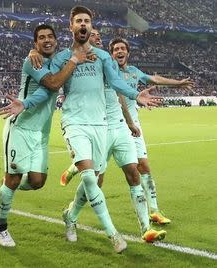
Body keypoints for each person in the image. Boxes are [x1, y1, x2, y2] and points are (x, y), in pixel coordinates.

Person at [0, 6, 161, 253]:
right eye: (78, 21)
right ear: (71, 27)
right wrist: (28, 98)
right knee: (87, 175)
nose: (83, 24)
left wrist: (135, 94)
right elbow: (49, 86)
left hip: (100, 125)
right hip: (73, 123)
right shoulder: (62, 57)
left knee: (62, 180)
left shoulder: (102, 57)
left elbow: (117, 82)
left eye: (87, 20)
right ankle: (113, 235)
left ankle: (70, 216)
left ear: (91, 25)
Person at [59, 27, 167, 243]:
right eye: (93, 36)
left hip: (119, 127)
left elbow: (120, 96)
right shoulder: (83, 65)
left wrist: (129, 121)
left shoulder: (107, 62)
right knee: (95, 181)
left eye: (99, 36)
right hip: (99, 127)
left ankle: (146, 228)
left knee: (133, 173)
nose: (97, 37)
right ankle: (71, 215)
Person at [0, 24, 86, 248]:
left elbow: (76, 48)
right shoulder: (32, 61)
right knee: (14, 179)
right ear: (35, 44)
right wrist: (74, 61)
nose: (46, 40)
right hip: (21, 127)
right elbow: (54, 84)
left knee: (37, 181)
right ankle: (1, 227)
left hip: (41, 133)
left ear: (56, 40)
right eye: (41, 38)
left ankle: (8, 186)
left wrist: (88, 42)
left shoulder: (57, 60)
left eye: (50, 37)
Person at [109, 37, 193, 224]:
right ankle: (75, 207)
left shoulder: (133, 71)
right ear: (112, 54)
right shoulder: (110, 71)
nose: (120, 51)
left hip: (133, 125)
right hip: (113, 125)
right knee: (96, 174)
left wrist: (177, 83)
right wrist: (129, 122)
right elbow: (119, 96)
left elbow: (154, 79)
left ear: (128, 53)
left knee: (143, 166)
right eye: (116, 49)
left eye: (123, 48)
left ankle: (154, 210)